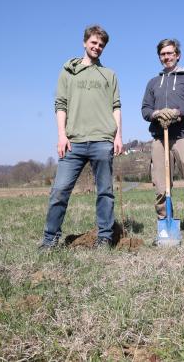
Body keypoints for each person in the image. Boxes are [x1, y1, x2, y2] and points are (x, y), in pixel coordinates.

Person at [39, 24, 123, 250]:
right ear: (85, 42)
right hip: (73, 141)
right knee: (59, 191)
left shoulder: (109, 75)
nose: (97, 47)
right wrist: (61, 135)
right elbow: (60, 104)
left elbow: (116, 106)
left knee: (105, 191)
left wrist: (118, 136)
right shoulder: (68, 70)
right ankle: (50, 240)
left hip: (102, 140)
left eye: (101, 45)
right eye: (94, 43)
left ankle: (104, 237)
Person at [141, 39, 184, 243]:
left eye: (170, 53)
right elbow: (145, 109)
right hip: (159, 139)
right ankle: (165, 230)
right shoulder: (153, 82)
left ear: (177, 55)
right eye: (163, 54)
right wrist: (155, 114)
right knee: (161, 189)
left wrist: (178, 112)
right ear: (159, 57)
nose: (167, 57)